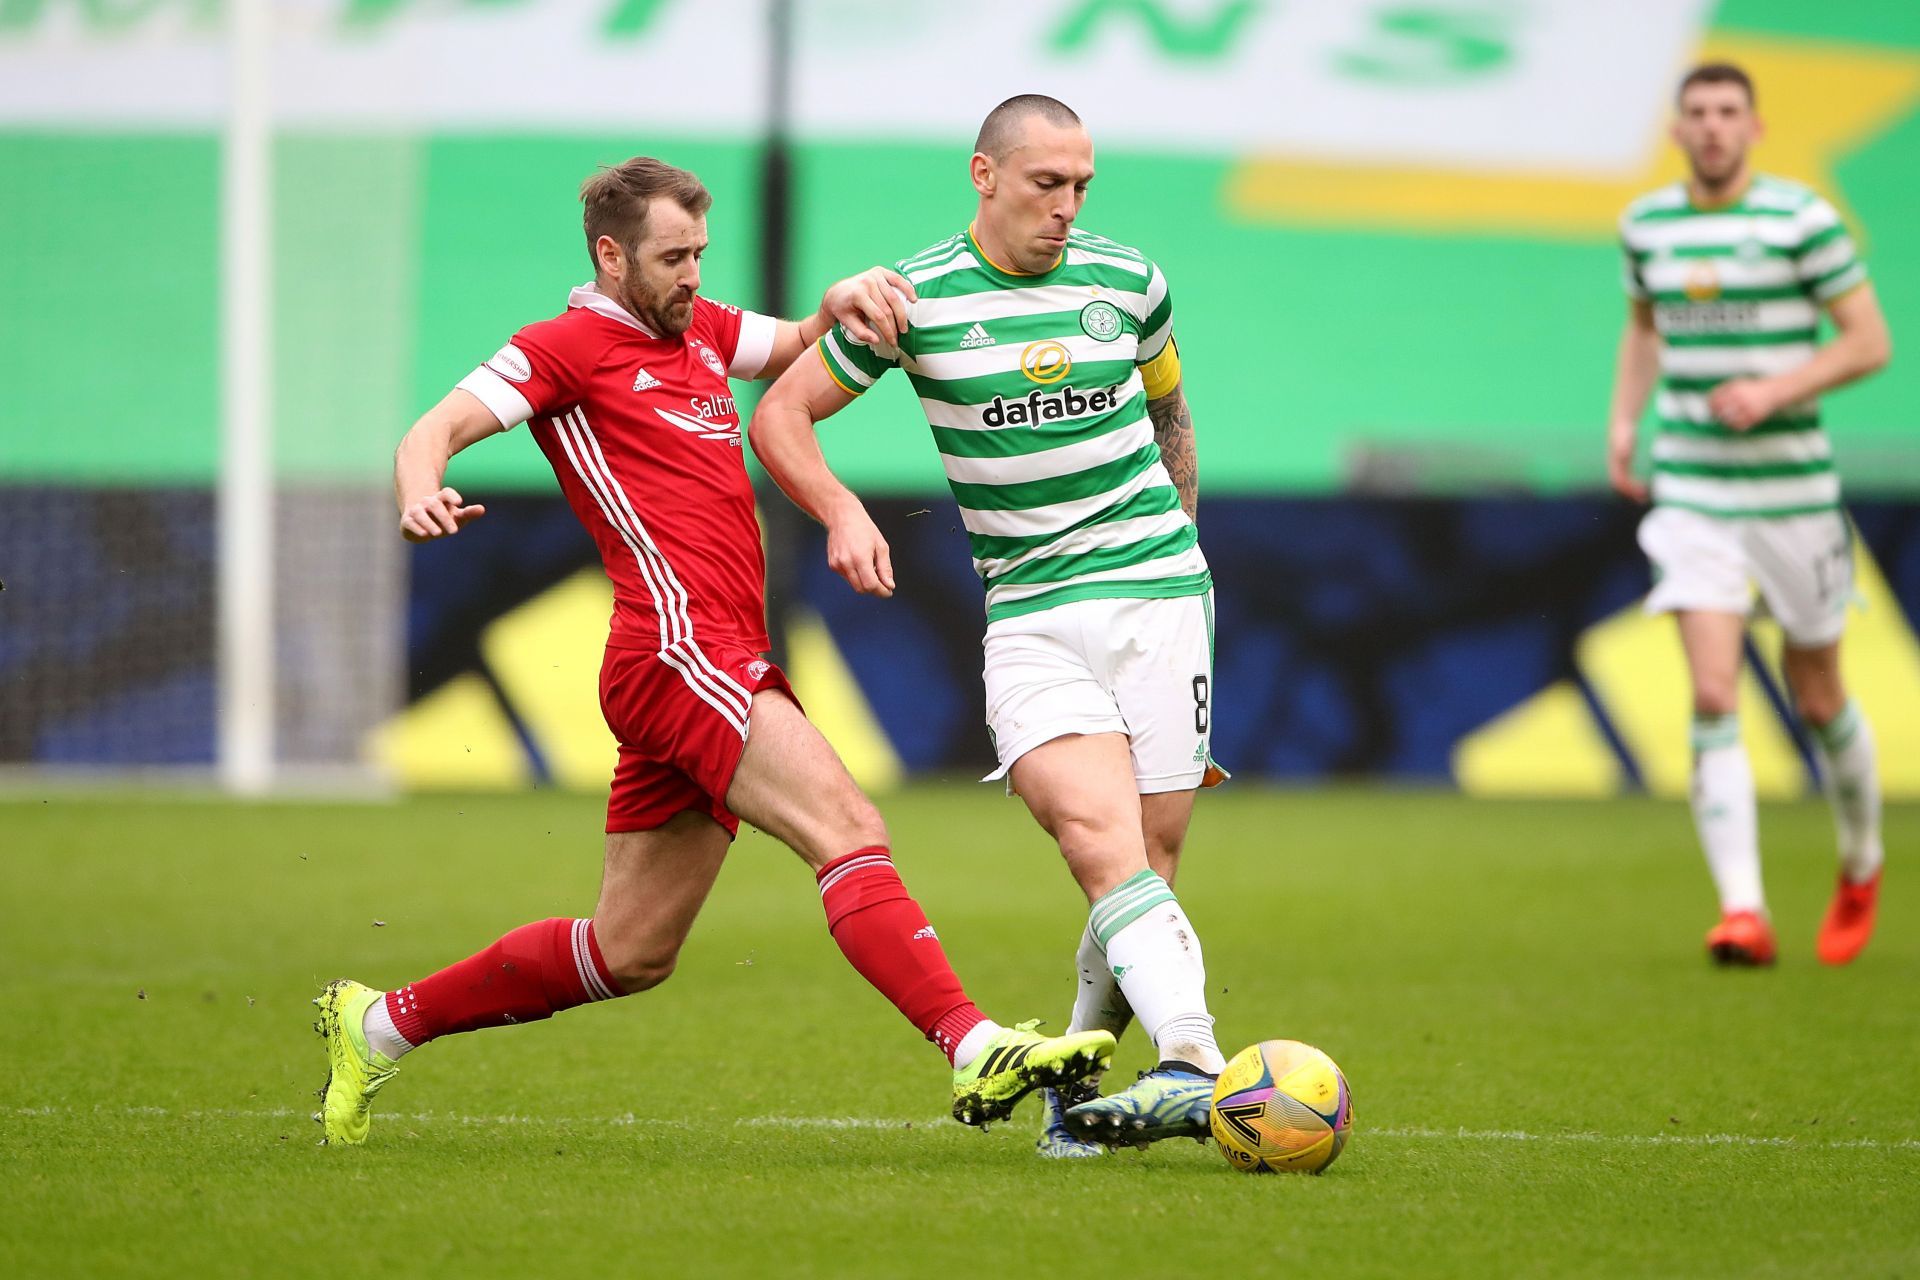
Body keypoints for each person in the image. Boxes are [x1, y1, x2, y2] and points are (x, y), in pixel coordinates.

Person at [313, 156, 1116, 1146]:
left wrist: (840, 298)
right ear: (609, 255)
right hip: (674, 648)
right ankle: (969, 1042)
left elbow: (802, 342)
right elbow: (434, 427)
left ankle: (379, 1022)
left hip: (701, 656)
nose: (692, 274)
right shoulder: (562, 348)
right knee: (848, 822)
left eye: (699, 252)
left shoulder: (699, 329)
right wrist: (419, 489)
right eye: (670, 257)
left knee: (629, 947)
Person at [750, 96, 1230, 1158]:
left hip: (1160, 596)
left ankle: (1082, 1091)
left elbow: (1171, 414)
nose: (1066, 208)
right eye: (1044, 184)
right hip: (1030, 615)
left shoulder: (1129, 283)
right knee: (1094, 839)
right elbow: (777, 415)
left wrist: (1181, 559)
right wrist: (839, 511)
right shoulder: (913, 301)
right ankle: (1193, 1061)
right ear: (985, 175)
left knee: (1147, 853)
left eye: (1081, 186)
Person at [1608, 63, 1891, 966]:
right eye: (1697, 113)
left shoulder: (1801, 221)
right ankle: (1744, 911)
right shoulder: (1647, 223)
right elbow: (1645, 325)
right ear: (1679, 128)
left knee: (1817, 695)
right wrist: (1625, 421)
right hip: (1694, 488)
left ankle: (1860, 860)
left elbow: (1868, 340)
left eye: (1729, 113)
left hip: (1794, 494)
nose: (1713, 127)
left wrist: (1776, 387)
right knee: (1715, 690)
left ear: (1755, 128)